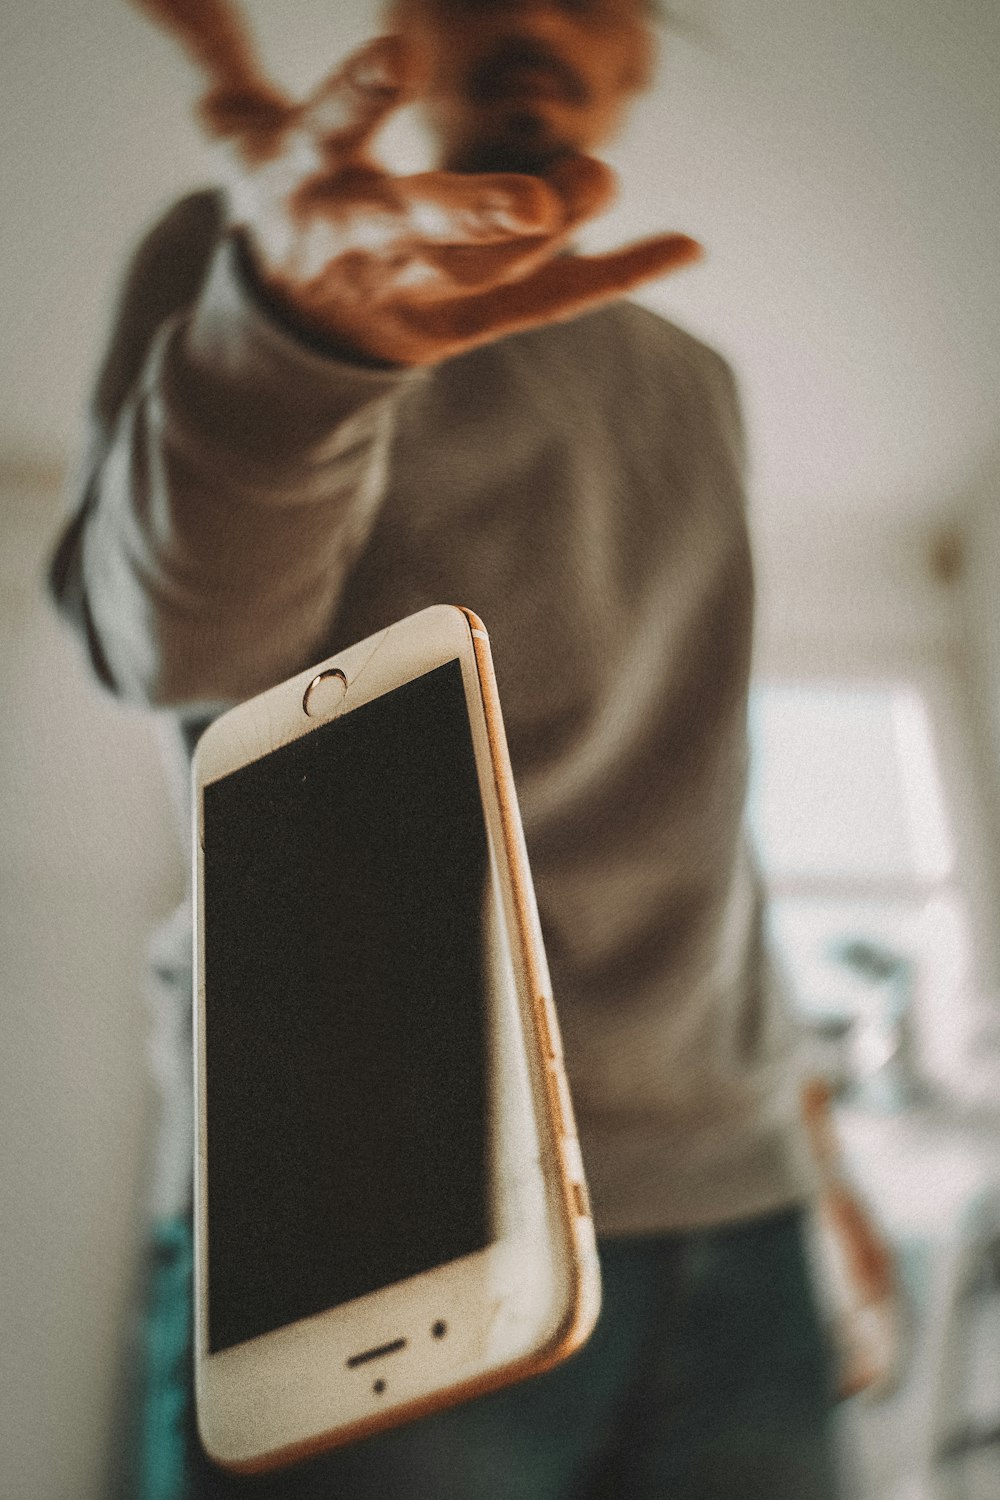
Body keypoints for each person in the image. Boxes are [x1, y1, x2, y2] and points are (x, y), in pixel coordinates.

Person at [50, 0, 844, 1494]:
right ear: (405, 27)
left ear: (642, 55)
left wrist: (821, 1168)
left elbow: (704, 822)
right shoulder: (254, 265)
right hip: (368, 1229)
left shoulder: (697, 385)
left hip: (743, 1218)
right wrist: (293, 347)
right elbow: (169, 645)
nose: (537, 12)